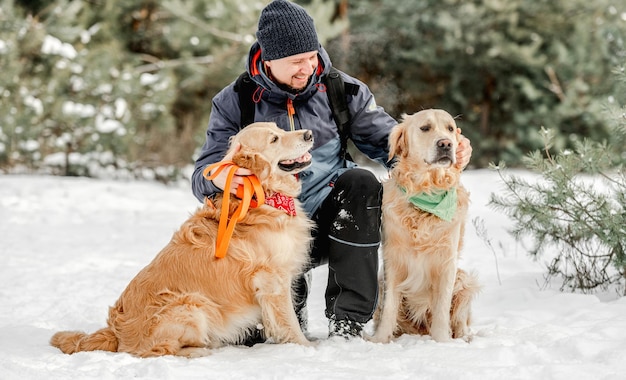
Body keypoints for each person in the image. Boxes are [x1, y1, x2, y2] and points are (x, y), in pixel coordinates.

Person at [191, 0, 472, 340]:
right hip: (271, 231)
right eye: (296, 61)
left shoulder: (342, 89)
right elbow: (203, 173)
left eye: (311, 57)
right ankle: (285, 302)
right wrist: (219, 175)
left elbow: (395, 142)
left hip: (332, 220)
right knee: (258, 339)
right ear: (268, 58)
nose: (307, 67)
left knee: (361, 182)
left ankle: (347, 320)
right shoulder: (234, 100)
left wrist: (441, 150)